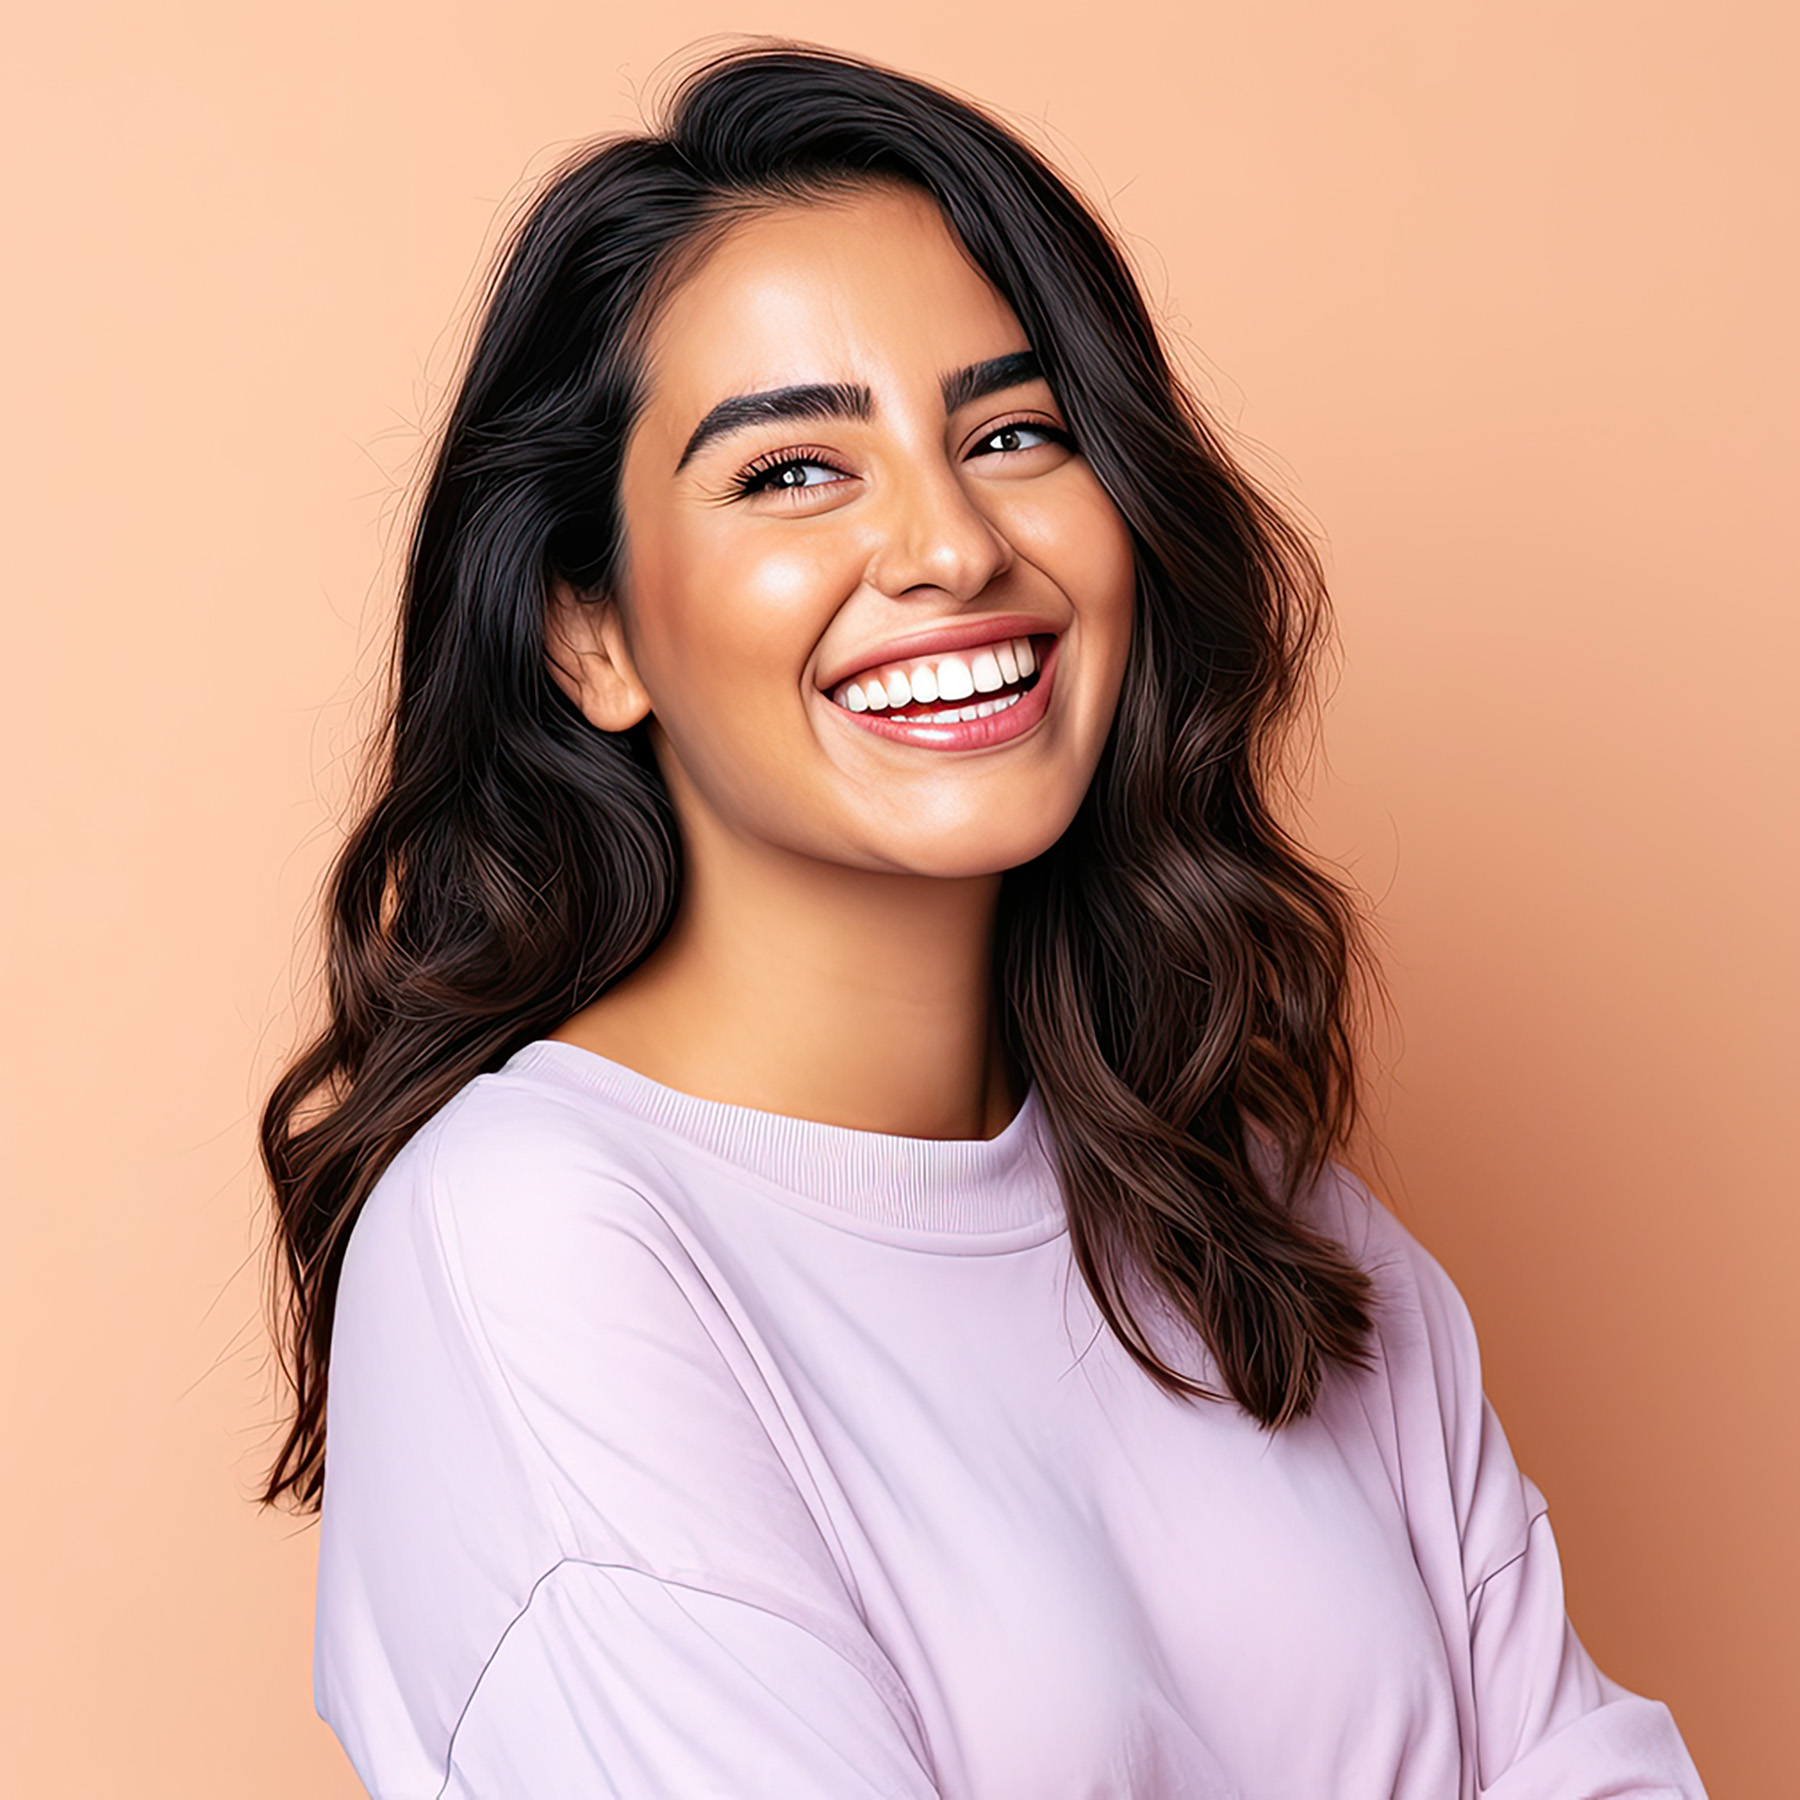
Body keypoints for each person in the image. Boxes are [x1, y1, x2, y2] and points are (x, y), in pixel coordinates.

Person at [261, 42, 1705, 1798]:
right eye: (793, 471)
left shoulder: (1246, 1195)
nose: (949, 545)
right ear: (593, 637)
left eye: (1013, 434)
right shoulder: (535, 1243)